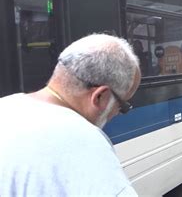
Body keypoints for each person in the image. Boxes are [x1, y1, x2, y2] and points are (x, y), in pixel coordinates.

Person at [0, 34, 141, 196]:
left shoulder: (6, 106)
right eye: (122, 106)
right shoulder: (84, 141)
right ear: (100, 97)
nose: (117, 113)